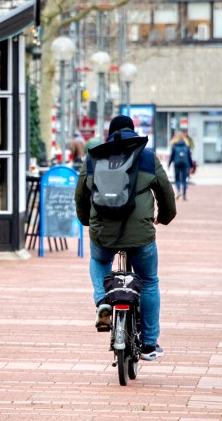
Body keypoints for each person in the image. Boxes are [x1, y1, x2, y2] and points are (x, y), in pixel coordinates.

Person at [75, 115, 177, 361]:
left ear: (110, 133)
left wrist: (87, 221)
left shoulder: (93, 156)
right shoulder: (147, 156)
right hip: (140, 233)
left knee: (100, 261)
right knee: (149, 280)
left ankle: (102, 300)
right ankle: (150, 344)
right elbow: (166, 192)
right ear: (133, 131)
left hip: (103, 232)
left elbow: (80, 195)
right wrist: (164, 217)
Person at [168, 132, 193, 200]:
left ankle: (178, 190)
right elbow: (189, 157)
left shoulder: (174, 146)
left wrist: (169, 164)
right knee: (184, 180)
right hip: (185, 164)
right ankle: (184, 195)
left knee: (177, 179)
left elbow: (171, 157)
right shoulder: (187, 146)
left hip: (177, 164)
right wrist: (191, 165)